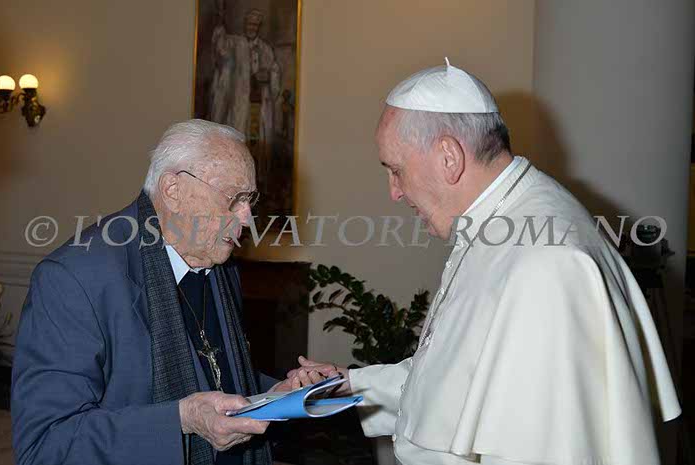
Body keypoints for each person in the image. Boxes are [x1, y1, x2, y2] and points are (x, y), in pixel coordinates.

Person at [290, 60, 682, 465]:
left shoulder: (546, 264)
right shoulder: (501, 220)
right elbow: (456, 378)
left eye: (396, 170)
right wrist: (351, 385)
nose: (394, 192)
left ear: (449, 157)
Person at [11, 120, 312, 465]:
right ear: (173, 189)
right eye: (234, 199)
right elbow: (45, 445)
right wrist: (180, 421)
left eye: (249, 200)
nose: (247, 219)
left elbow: (214, 371)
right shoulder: (73, 278)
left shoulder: (219, 265)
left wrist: (277, 394)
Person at [209, 7, 281, 180]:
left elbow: (275, 71)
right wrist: (220, 27)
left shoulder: (266, 49)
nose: (251, 28)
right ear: (245, 25)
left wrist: (269, 76)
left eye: (255, 25)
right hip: (240, 104)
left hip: (259, 104)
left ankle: (259, 179)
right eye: (249, 24)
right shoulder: (236, 44)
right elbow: (221, 51)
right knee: (239, 140)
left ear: (259, 27)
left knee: (258, 142)